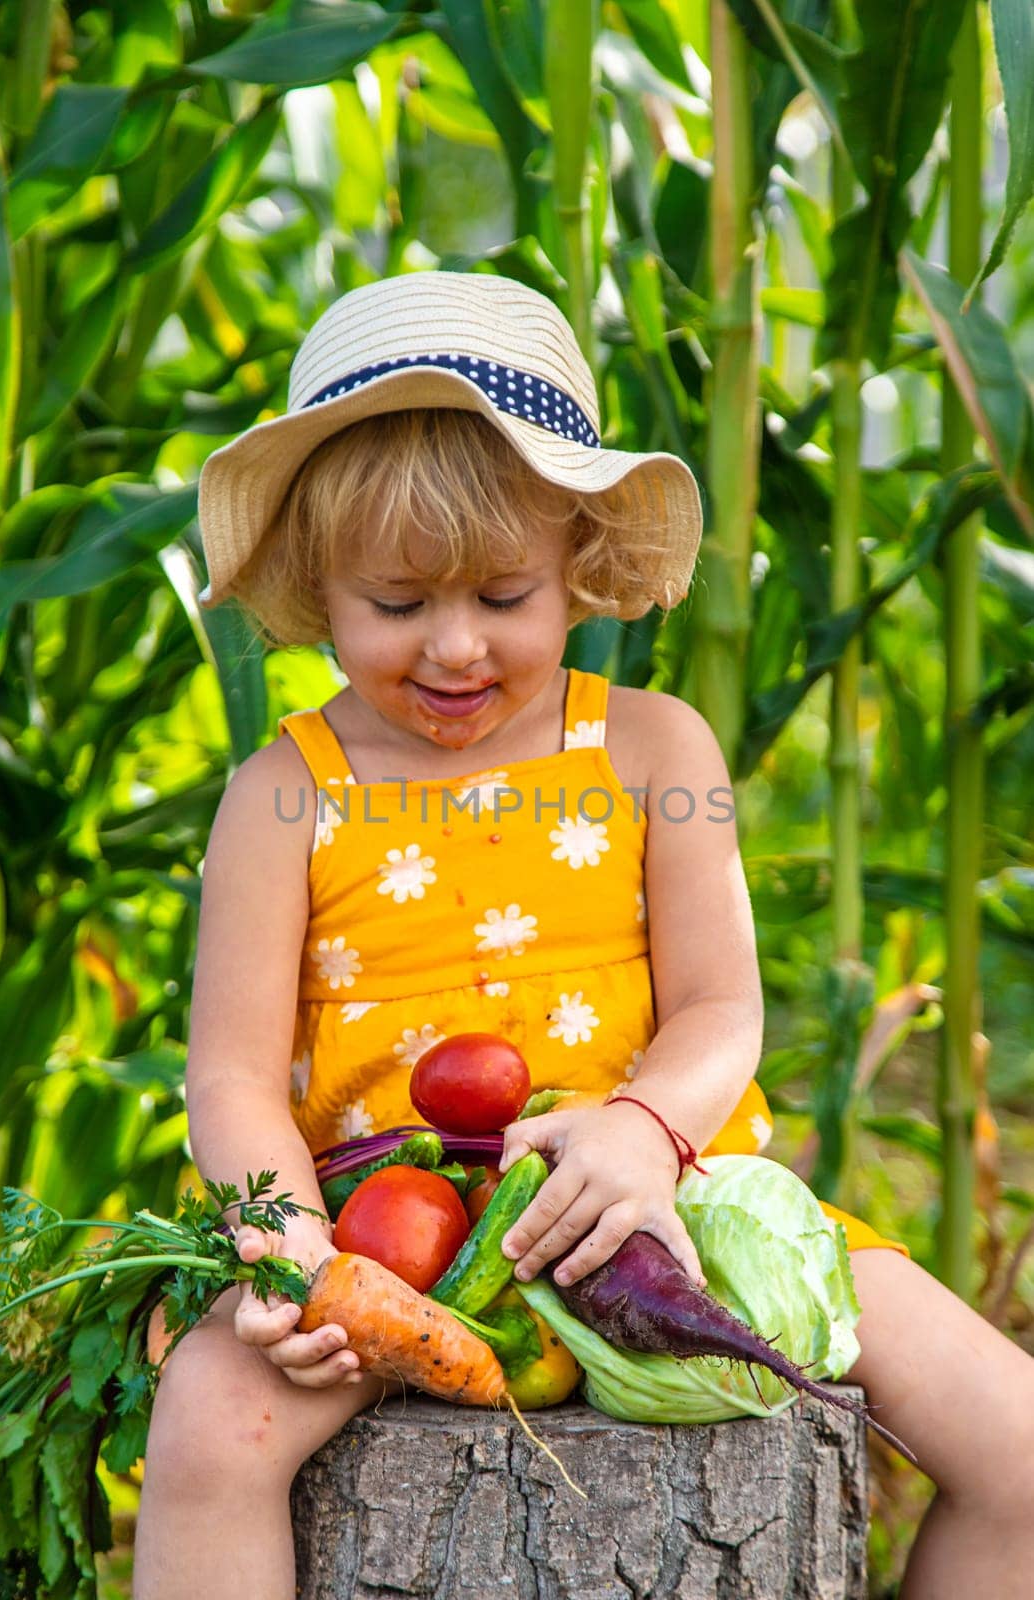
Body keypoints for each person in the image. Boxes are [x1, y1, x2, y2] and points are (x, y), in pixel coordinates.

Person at [133, 273, 1034, 1600]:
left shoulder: (653, 749)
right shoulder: (285, 793)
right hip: (398, 1231)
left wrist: (645, 1129)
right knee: (212, 1426)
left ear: (581, 565)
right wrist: (291, 1245)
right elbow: (229, 1074)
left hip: (675, 1206)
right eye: (395, 605)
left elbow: (723, 1010)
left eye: (503, 597)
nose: (452, 647)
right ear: (317, 584)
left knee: (1017, 1450)